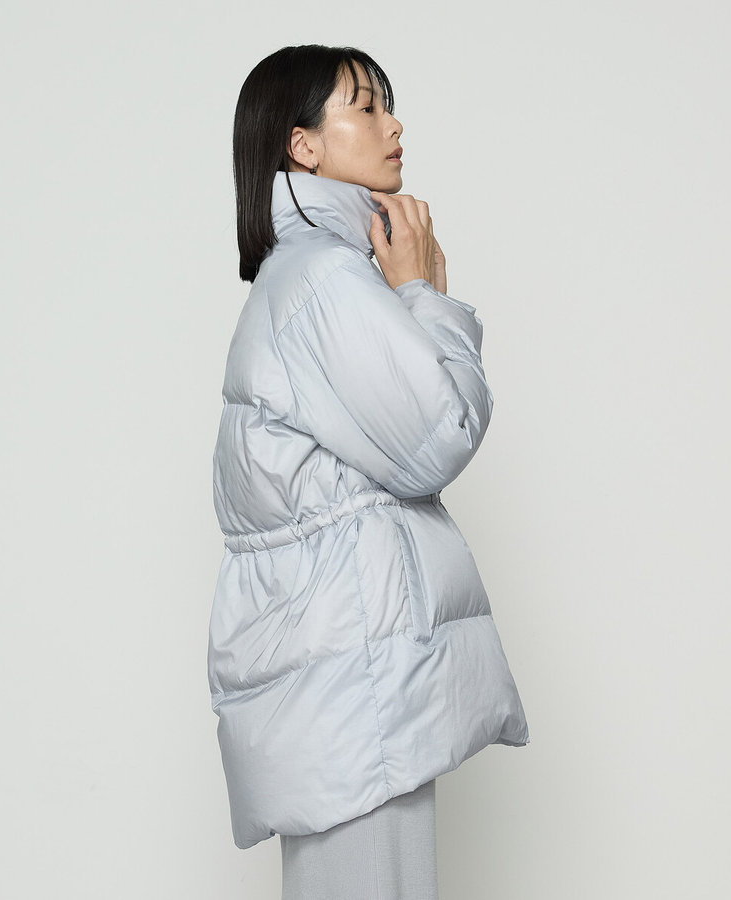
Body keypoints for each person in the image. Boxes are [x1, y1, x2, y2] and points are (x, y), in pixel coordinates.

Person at [207, 44, 530, 898]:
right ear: (302, 145)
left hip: (348, 684)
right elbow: (439, 436)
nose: (394, 125)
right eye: (365, 106)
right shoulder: (322, 278)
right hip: (356, 690)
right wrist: (425, 295)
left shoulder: (318, 274)